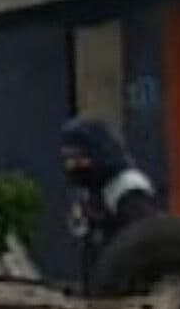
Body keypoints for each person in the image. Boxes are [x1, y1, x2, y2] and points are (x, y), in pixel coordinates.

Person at [59, 116, 162, 280]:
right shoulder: (93, 189)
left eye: (79, 157)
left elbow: (143, 244)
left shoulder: (127, 188)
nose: (72, 165)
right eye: (68, 158)